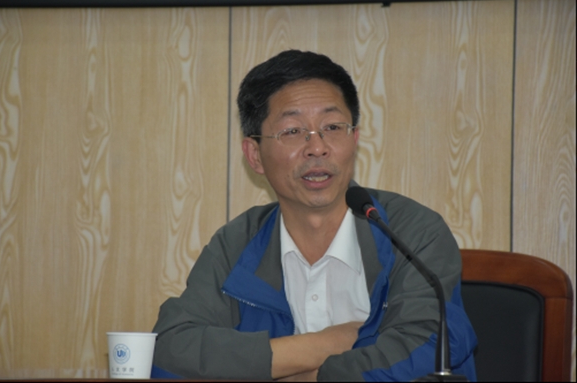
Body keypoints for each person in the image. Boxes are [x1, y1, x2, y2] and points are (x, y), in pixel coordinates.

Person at [151, 50, 477, 381]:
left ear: (355, 139)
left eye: (332, 127)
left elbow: (430, 346)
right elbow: (169, 350)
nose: (317, 147)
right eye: (292, 131)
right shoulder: (237, 244)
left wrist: (308, 376)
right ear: (255, 155)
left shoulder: (410, 232)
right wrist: (324, 344)